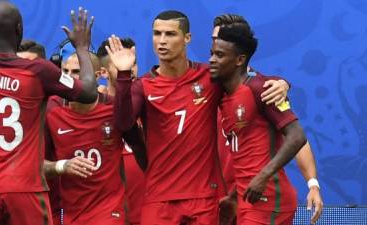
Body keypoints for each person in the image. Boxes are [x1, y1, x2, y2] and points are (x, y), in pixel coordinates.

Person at [107, 10, 288, 225]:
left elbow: (252, 81)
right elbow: (123, 123)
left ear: (187, 38)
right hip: (159, 199)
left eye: (170, 34)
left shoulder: (209, 76)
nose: (161, 41)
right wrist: (124, 76)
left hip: (203, 200)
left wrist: (282, 83)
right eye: (157, 34)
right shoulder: (143, 86)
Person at [0, 1, 98, 224]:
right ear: (20, 28)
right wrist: (82, 49)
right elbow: (88, 92)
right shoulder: (38, 71)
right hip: (26, 189)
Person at [213, 14, 322, 225]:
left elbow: (297, 138)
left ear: (239, 53)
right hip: (224, 198)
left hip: (258, 196)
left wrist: (312, 183)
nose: (219, 45)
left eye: (227, 39)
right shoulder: (212, 88)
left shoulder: (266, 89)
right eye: (215, 40)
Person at [45, 52, 146, 225]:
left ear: (97, 75)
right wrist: (62, 166)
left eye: (76, 72)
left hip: (110, 213)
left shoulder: (114, 109)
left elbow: (139, 148)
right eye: (65, 72)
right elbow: (35, 166)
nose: (69, 78)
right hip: (72, 215)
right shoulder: (52, 112)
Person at [97, 38, 146, 225]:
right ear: (103, 73)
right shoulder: (95, 113)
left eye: (132, 64)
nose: (129, 70)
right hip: (111, 217)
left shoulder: (150, 106)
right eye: (120, 64)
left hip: (153, 214)